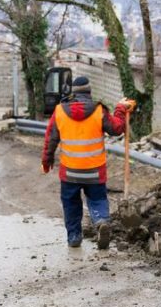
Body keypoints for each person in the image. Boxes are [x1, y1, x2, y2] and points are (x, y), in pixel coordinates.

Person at [42, 76, 136, 249]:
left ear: (73, 92)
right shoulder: (99, 110)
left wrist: (46, 162)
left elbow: (50, 138)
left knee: (71, 204)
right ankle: (101, 221)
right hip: (95, 170)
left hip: (69, 172)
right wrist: (121, 109)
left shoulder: (60, 111)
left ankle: (74, 237)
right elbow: (116, 129)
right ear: (89, 92)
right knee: (97, 198)